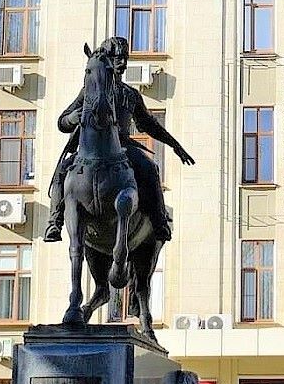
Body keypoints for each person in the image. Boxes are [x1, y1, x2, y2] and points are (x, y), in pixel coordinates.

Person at [44, 36, 195, 243]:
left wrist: (175, 146)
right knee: (62, 170)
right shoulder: (88, 92)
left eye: (124, 58)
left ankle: (160, 222)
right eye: (117, 58)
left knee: (150, 168)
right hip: (90, 152)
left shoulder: (130, 94)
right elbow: (62, 122)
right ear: (106, 61)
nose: (122, 62)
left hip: (122, 149)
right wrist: (72, 118)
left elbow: (149, 125)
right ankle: (54, 222)